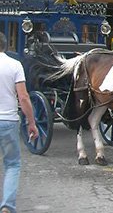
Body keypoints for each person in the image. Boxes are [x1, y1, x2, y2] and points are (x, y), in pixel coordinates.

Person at [1, 32, 39, 213]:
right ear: (6, 46)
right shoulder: (15, 65)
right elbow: (23, 97)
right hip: (8, 121)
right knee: (12, 164)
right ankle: (7, 206)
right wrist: (31, 123)